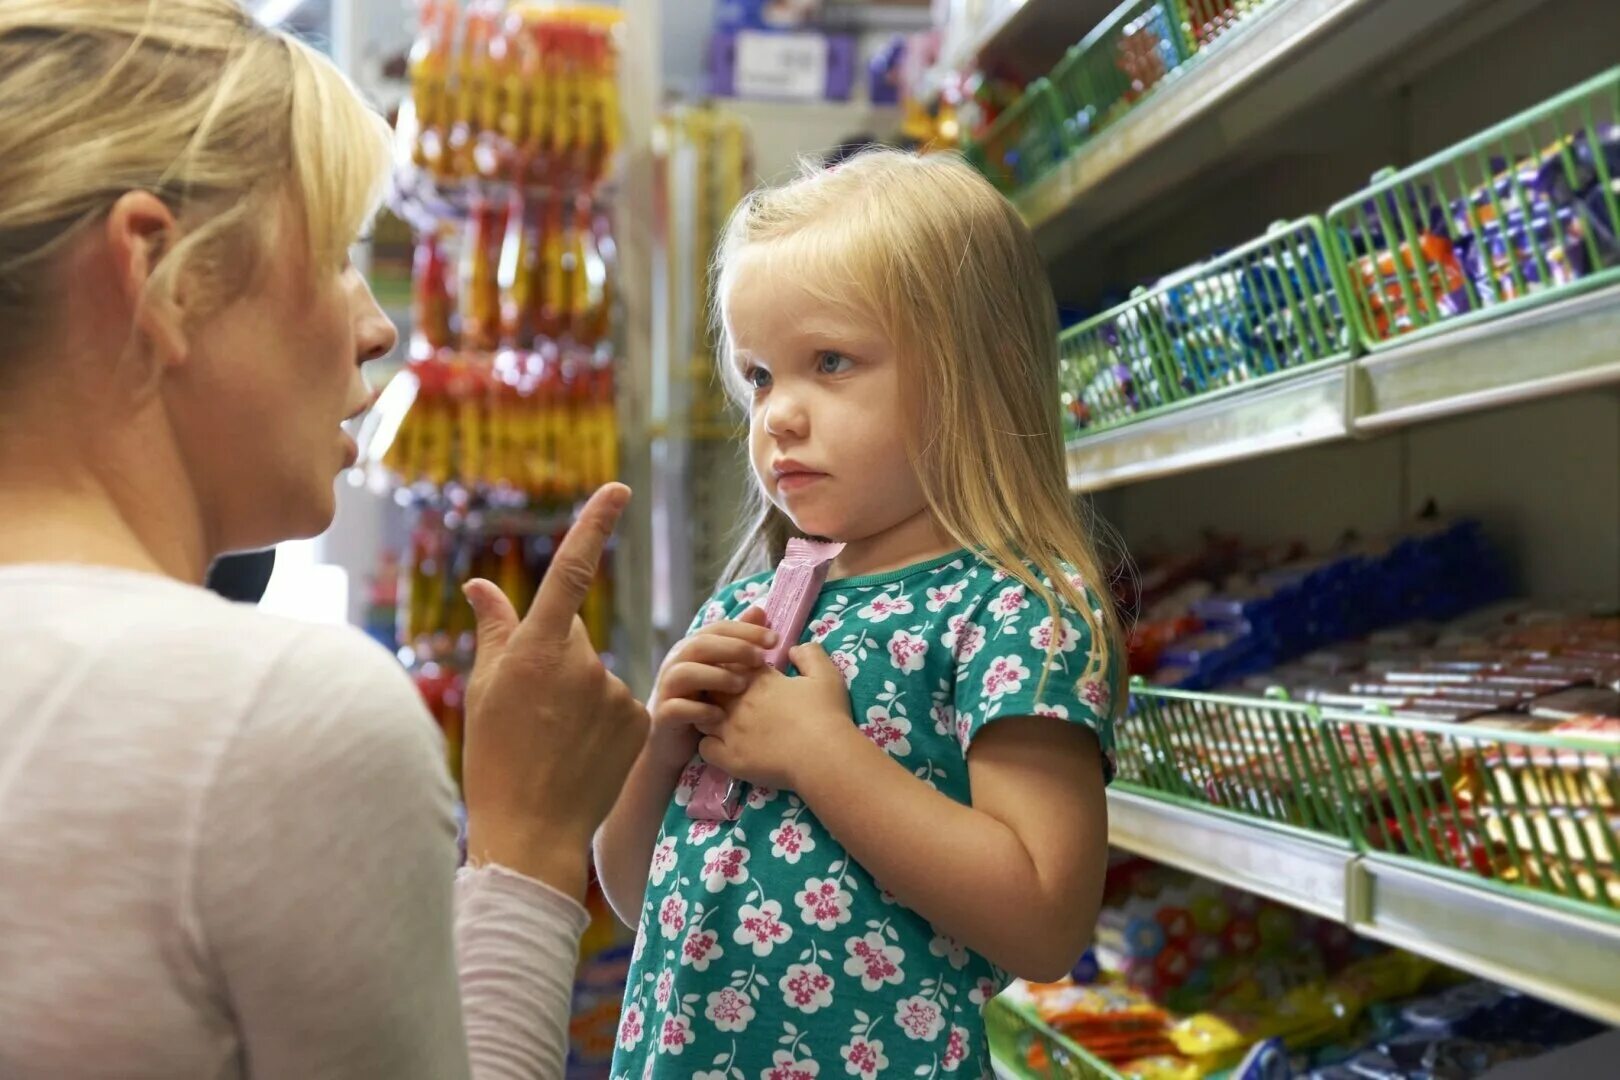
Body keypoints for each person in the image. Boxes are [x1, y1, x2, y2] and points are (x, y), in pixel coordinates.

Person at [0, 2, 647, 1077]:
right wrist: (530, 849)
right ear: (162, 273)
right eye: (339, 255)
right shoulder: (271, 720)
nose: (376, 326)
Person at [594, 149, 1125, 1079]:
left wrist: (819, 756)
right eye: (759, 376)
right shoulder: (752, 606)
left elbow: (1044, 920)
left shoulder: (1013, 611)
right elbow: (644, 898)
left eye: (829, 363)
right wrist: (659, 746)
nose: (778, 417)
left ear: (971, 375)